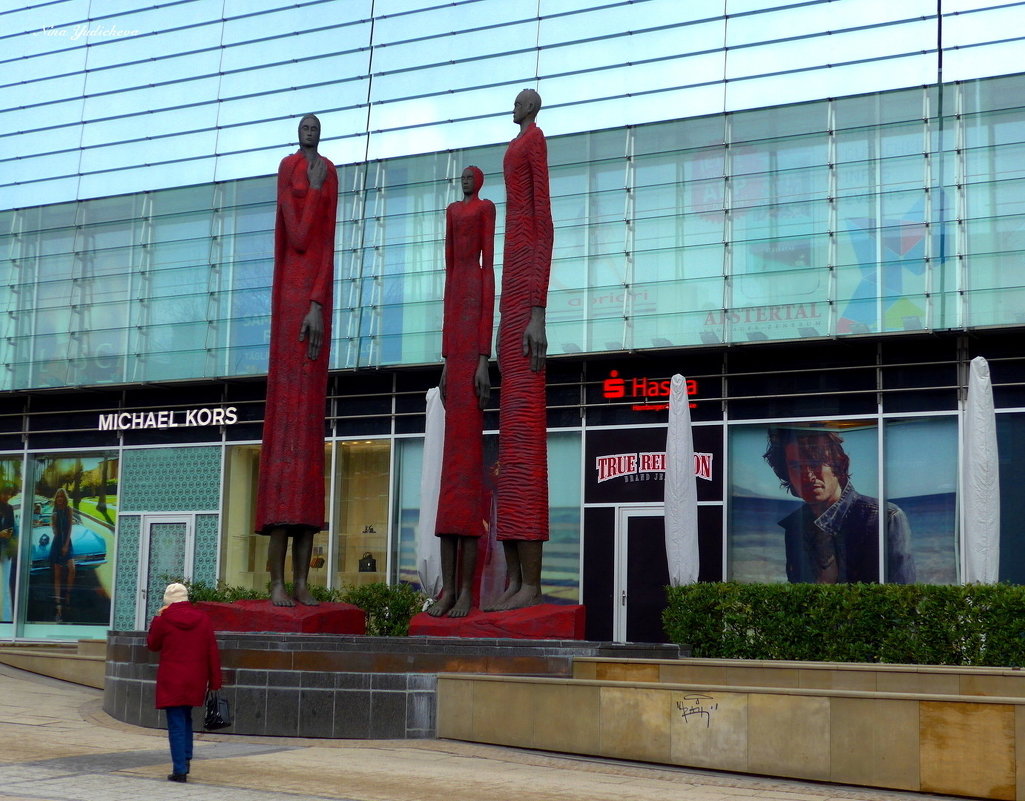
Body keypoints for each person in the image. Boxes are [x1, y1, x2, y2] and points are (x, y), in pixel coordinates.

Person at [255, 114, 338, 607]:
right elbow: (301, 235)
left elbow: (327, 244)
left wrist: (319, 304)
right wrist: (310, 189)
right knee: (286, 437)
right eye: (304, 126)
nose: (310, 131)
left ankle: (304, 581)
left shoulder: (329, 170)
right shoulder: (290, 168)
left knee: (307, 441)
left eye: (315, 126)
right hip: (290, 301)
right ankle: (277, 582)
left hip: (310, 303)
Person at [490, 88, 554, 611]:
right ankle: (513, 580)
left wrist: (536, 310)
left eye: (519, 101)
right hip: (512, 288)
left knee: (526, 445)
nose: (513, 106)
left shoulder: (534, 142)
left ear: (531, 107)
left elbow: (544, 221)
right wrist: (500, 328)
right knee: (510, 452)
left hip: (526, 288)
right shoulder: (518, 144)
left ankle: (531, 581)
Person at [429, 166, 495, 618]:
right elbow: (449, 321)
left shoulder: (480, 272)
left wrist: (482, 360)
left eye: (473, 176)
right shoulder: (453, 279)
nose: (466, 182)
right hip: (455, 371)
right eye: (464, 177)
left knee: (466, 492)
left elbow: (488, 274)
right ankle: (449, 590)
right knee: (449, 495)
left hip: (472, 373)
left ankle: (466, 592)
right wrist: (447, 363)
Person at [763, 428, 916, 584]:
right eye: (796, 466)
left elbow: (900, 599)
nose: (807, 475)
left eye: (815, 462)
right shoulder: (796, 526)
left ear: (840, 463)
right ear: (786, 472)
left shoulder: (883, 518)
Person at [147, 582, 222, 783]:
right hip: (195, 678)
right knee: (186, 717)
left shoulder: (164, 619)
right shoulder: (203, 618)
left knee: (176, 722)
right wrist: (215, 682)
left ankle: (179, 769)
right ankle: (185, 759)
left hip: (172, 678)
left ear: (168, 601)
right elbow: (211, 651)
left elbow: (153, 645)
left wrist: (157, 618)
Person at [50, 488, 74, 622]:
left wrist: (65, 545)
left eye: (61, 496)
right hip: (57, 543)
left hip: (67, 542)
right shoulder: (54, 512)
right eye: (57, 496)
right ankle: (58, 604)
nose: (59, 498)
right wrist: (53, 526)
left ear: (64, 498)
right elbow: (54, 529)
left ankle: (68, 596)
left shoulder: (68, 510)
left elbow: (70, 527)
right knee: (57, 575)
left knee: (72, 568)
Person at [0, 484, 16, 623]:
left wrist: (10, 535)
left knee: (5, 585)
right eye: (4, 493)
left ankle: (6, 619)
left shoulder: (10, 508)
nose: (6, 497)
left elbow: (13, 529)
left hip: (5, 551)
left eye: (8, 494)